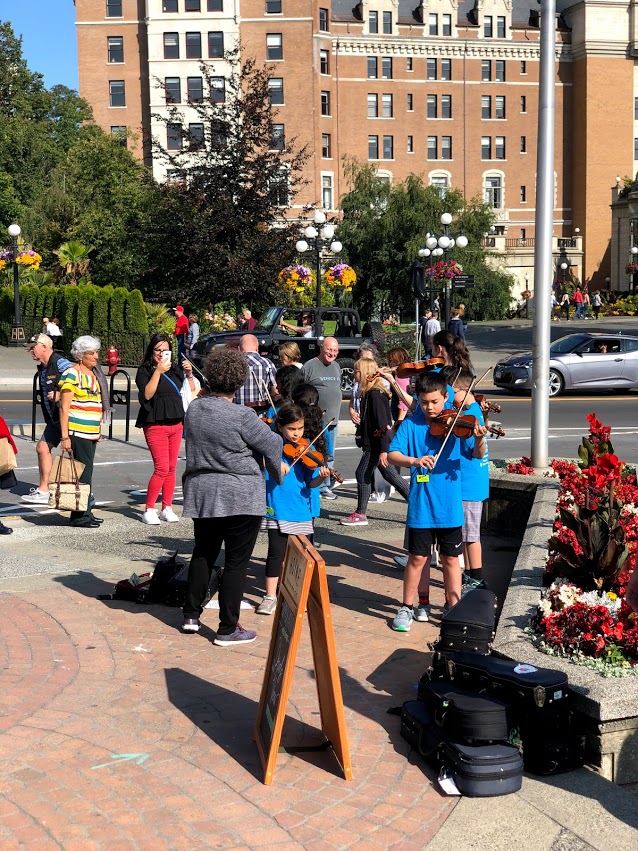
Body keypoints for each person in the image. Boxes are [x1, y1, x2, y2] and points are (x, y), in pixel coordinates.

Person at [181, 347, 284, 644]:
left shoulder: (195, 409)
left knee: (204, 552)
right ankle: (227, 627)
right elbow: (272, 444)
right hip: (240, 493)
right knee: (236, 562)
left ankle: (191, 613)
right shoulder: (243, 415)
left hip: (203, 490)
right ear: (239, 382)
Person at [388, 372, 487, 631]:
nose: (429, 408)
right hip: (422, 506)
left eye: (434, 401)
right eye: (423, 402)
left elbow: (477, 454)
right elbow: (393, 454)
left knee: (451, 559)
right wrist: (414, 461)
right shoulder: (411, 424)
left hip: (450, 506)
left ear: (446, 397)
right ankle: (407, 606)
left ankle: (453, 608)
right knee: (417, 558)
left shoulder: (458, 426)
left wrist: (478, 438)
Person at [256, 403, 330, 615]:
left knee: (302, 557)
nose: (296, 434)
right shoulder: (273, 447)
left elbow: (311, 484)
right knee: (275, 553)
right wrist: (275, 466)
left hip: (301, 510)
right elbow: (260, 464)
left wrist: (321, 476)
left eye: (300, 429)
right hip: (277, 508)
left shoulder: (310, 450)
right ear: (280, 427)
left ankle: (300, 592)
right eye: (291, 429)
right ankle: (270, 595)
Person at [135, 333, 198, 525]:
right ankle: (149, 509)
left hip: (176, 423)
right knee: (161, 468)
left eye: (165, 350)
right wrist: (158, 371)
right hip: (155, 424)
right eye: (158, 350)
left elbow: (191, 392)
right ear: (151, 351)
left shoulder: (175, 370)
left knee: (171, 468)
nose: (161, 354)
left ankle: (167, 507)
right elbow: (147, 394)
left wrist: (189, 374)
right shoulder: (145, 371)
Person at [341, 359, 409, 526]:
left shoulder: (375, 395)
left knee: (362, 473)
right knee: (390, 474)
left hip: (376, 444)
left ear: (364, 372)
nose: (354, 373)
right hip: (375, 443)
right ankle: (418, 503)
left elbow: (383, 424)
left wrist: (384, 450)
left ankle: (360, 514)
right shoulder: (370, 392)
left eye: (356, 370)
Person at [58, 336, 106, 528]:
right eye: (91, 353)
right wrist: (65, 436)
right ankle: (79, 516)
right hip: (78, 431)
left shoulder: (92, 373)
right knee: (82, 475)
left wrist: (97, 430)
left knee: (87, 473)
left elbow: (94, 404)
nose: (96, 356)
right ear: (80, 356)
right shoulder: (72, 374)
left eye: (96, 352)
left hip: (91, 432)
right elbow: (64, 407)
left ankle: (85, 511)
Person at [21, 334, 74, 504]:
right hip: (54, 419)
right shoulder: (44, 367)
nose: (30, 351)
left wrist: (62, 393)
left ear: (44, 346)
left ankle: (83, 493)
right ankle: (44, 491)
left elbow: (77, 377)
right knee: (42, 448)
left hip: (68, 417)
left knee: (75, 453)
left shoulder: (59, 362)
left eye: (33, 347)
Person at [451, 370, 489, 586]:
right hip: (468, 484)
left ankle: (477, 578)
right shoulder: (467, 410)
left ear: (464, 391)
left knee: (472, 537)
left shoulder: (472, 415)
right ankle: (469, 575)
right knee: (466, 535)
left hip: (470, 485)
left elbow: (478, 453)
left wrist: (479, 439)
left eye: (453, 391)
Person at [300, 337, 342, 499]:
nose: (332, 353)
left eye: (335, 350)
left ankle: (325, 486)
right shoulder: (309, 366)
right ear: (321, 347)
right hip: (315, 420)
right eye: (329, 349)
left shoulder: (337, 366)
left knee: (329, 453)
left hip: (333, 419)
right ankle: (314, 484)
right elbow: (301, 391)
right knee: (314, 453)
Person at [235, 335, 277, 409]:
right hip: (260, 413)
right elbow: (275, 391)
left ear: (239, 349)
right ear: (257, 348)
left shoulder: (232, 365)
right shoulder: (267, 364)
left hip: (237, 412)